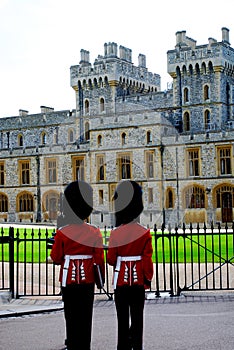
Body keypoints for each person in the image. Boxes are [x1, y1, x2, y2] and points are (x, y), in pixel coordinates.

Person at [50, 180, 105, 350]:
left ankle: (73, 344)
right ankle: (84, 345)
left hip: (69, 280)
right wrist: (100, 280)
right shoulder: (94, 231)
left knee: (71, 316)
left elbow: (56, 257)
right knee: (86, 316)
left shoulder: (62, 233)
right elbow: (99, 259)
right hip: (87, 280)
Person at [107, 180, 153, 350]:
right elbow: (147, 261)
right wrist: (147, 279)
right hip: (138, 283)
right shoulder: (144, 233)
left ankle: (123, 346)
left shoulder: (116, 233)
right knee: (138, 319)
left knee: (122, 320)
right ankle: (137, 346)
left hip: (121, 283)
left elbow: (111, 259)